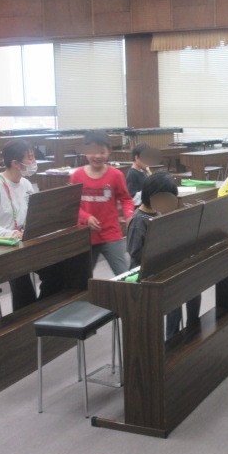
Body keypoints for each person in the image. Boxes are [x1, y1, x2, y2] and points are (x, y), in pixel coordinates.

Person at [0, 139, 46, 311]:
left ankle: (43, 312)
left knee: (56, 268)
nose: (34, 162)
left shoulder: (26, 184)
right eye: (30, 158)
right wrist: (7, 233)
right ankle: (27, 318)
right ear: (15, 163)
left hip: (20, 242)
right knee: (20, 273)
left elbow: (32, 214)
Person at [126, 172, 201, 339]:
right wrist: (161, 253)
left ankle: (192, 333)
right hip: (144, 275)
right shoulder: (138, 221)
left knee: (193, 287)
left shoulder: (157, 213)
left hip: (161, 268)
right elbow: (135, 253)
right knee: (174, 299)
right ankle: (171, 341)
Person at [70, 130, 133, 276]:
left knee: (123, 275)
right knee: (81, 277)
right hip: (86, 235)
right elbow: (72, 206)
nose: (98, 156)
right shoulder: (77, 176)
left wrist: (129, 215)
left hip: (110, 234)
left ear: (109, 151)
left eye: (102, 151)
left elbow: (126, 199)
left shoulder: (116, 175)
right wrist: (86, 218)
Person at [126, 143, 152, 207]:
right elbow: (133, 198)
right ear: (137, 157)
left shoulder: (143, 171)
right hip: (138, 209)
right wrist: (149, 190)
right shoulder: (132, 174)